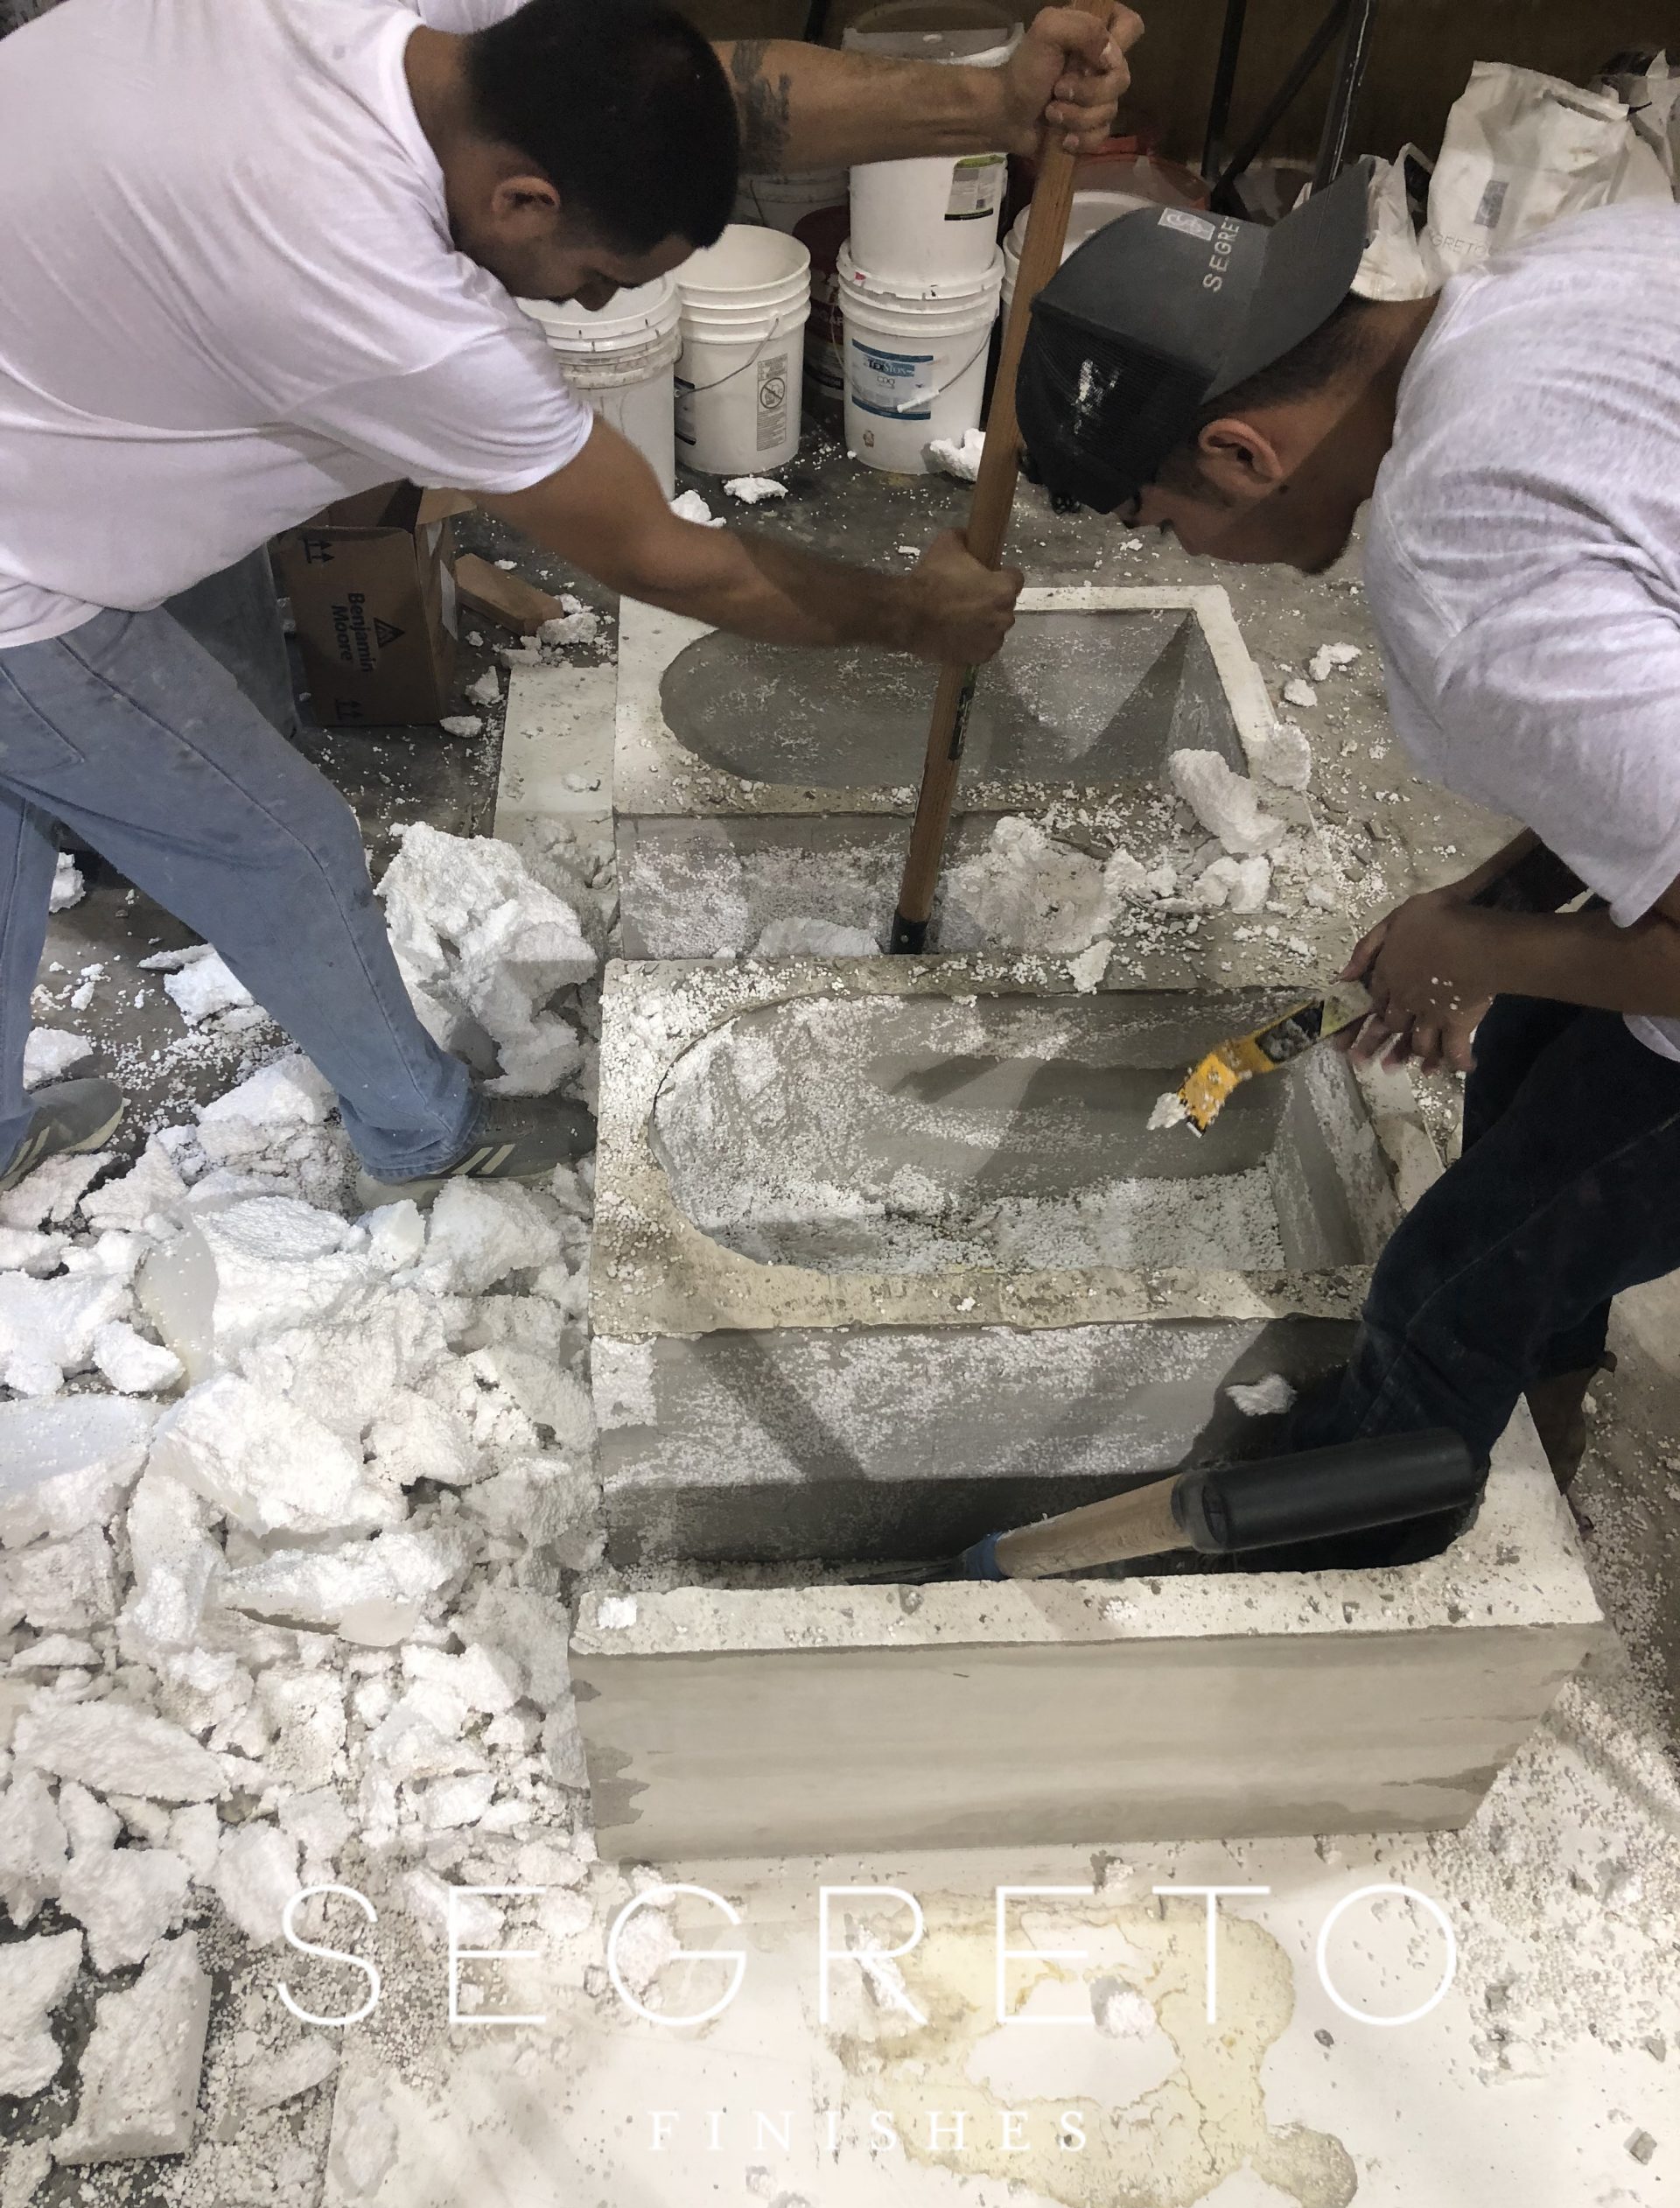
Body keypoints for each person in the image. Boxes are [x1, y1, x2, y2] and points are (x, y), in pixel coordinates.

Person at [0, 0, 1142, 1204]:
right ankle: (419, 1135)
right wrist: (911, 616)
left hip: (48, 337)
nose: (592, 307)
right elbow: (664, 557)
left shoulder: (434, 41)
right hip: (20, 570)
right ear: (524, 202)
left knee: (20, 797)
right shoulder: (388, 301)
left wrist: (990, 103)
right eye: (598, 277)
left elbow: (687, 95)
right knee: (277, 845)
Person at [1015, 173, 1680, 1495]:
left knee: (1443, 1289)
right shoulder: (1566, 273)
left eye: (1171, 522)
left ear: (1240, 454)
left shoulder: (1458, 569)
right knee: (1527, 1076)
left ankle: (1371, 1530)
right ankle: (1549, 1401)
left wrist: (1477, 945)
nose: (1195, 551)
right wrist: (1491, 917)